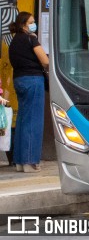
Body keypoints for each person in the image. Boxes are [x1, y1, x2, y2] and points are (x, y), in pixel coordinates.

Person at [8, 12, 49, 173]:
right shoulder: (31, 39)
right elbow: (45, 61)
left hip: (19, 81)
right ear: (24, 25)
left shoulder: (14, 41)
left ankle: (19, 161)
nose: (34, 25)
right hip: (33, 81)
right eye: (31, 22)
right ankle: (30, 162)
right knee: (34, 121)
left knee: (23, 120)